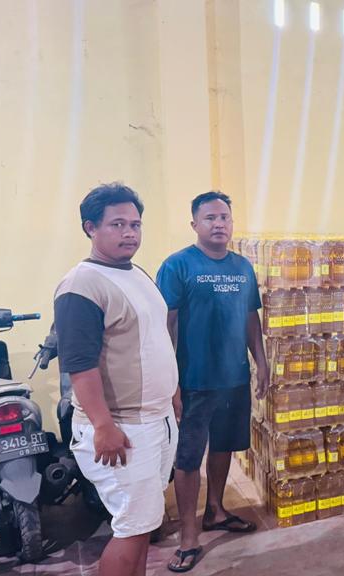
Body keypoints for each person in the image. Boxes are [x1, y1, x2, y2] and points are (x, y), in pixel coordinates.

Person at [54, 184, 179, 576]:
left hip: (154, 420)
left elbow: (154, 339)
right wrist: (102, 425)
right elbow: (79, 364)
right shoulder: (81, 285)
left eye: (136, 224)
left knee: (142, 525)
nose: (130, 233)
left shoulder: (135, 273)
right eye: (118, 224)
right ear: (90, 228)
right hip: (121, 428)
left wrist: (172, 394)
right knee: (130, 526)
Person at [156, 192, 268, 573]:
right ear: (194, 225)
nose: (219, 224)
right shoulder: (177, 266)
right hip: (193, 381)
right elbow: (164, 327)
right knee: (188, 458)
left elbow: (251, 318)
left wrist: (261, 362)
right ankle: (189, 537)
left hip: (233, 378)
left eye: (224, 217)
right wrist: (170, 382)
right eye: (210, 218)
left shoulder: (243, 267)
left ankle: (216, 511)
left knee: (224, 447)